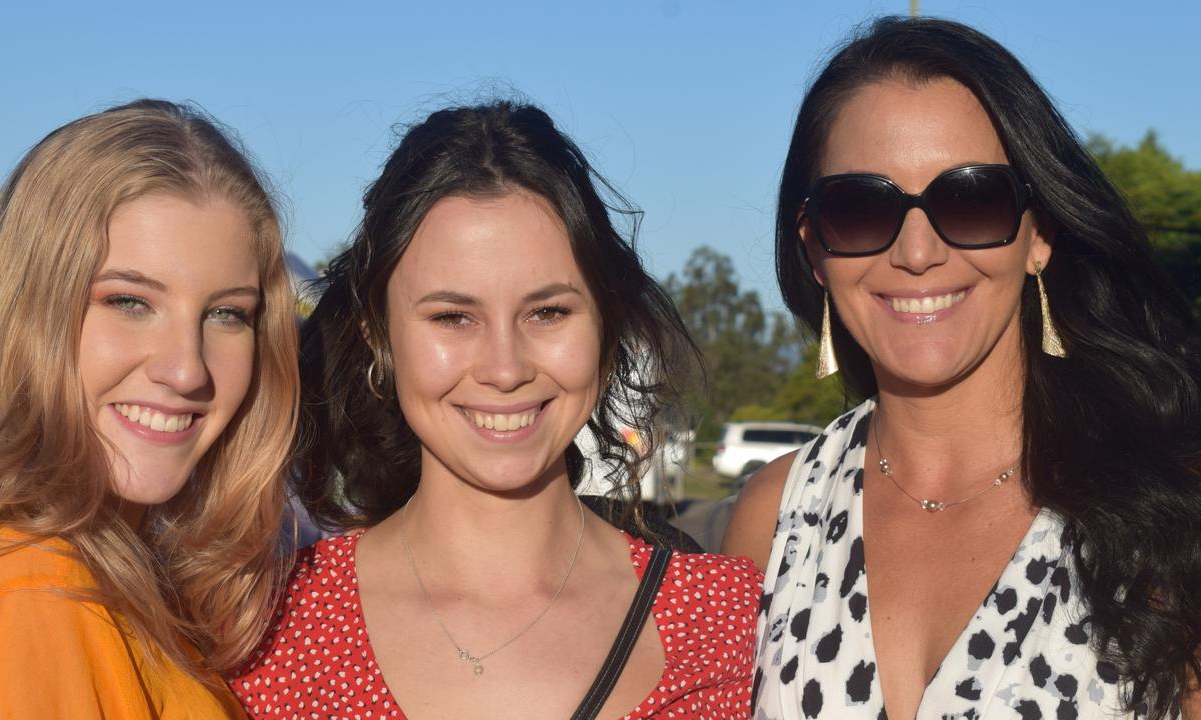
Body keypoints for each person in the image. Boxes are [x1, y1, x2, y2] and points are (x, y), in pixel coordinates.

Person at [722, 16, 1201, 720]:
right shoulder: (774, 517)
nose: (918, 252)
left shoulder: (1170, 507)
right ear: (816, 248)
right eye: (861, 208)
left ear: (1040, 234)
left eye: (969, 198)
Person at [230, 101, 762, 719]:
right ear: (379, 335)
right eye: (453, 317)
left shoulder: (728, 617)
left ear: (605, 325)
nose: (505, 369)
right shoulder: (266, 628)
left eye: (548, 313)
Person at [0, 99, 300, 718]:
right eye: (129, 302)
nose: (186, 369)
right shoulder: (27, 597)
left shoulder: (104, 583)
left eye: (227, 314)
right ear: (24, 314)